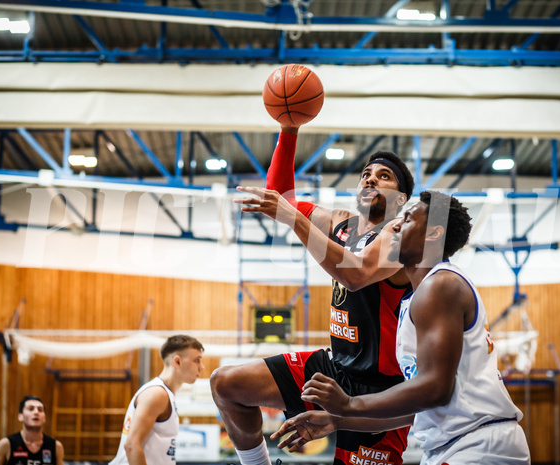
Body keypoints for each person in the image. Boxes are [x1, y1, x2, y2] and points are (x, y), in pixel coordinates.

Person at [271, 191, 531, 465]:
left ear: (433, 233)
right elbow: (423, 406)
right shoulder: (417, 298)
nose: (393, 225)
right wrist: (339, 421)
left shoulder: (440, 286)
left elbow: (435, 390)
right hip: (454, 444)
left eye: (407, 219)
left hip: (478, 445)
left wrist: (349, 404)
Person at [210, 124, 415, 465]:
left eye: (384, 176)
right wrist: (289, 128)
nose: (370, 179)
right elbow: (281, 197)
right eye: (366, 174)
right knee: (226, 384)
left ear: (402, 199)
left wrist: (297, 222)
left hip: (383, 390)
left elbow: (356, 274)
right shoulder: (341, 223)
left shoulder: (401, 234)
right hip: (334, 367)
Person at [109, 334, 205, 465]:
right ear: (177, 361)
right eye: (197, 360)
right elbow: (131, 445)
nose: (202, 367)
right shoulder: (157, 394)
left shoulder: (166, 394)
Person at [0, 395, 64, 465]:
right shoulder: (6, 445)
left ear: (44, 418)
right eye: (31, 409)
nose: (36, 412)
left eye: (40, 410)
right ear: (20, 416)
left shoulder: (56, 447)